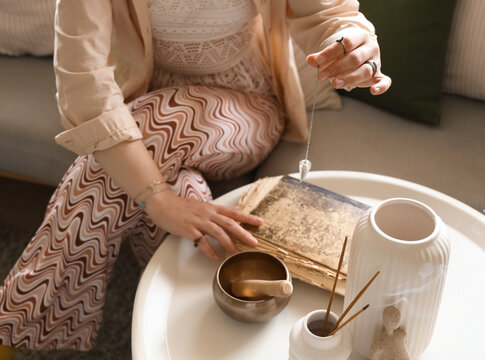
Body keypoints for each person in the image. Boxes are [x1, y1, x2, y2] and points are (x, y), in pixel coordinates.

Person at [0, 0, 391, 355]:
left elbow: (327, 13)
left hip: (246, 106)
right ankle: (189, 335)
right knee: (187, 192)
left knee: (162, 120)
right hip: (143, 98)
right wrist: (165, 199)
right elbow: (83, 82)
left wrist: (352, 43)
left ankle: (20, 318)